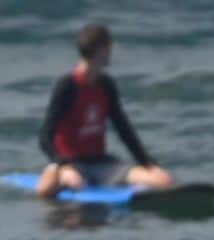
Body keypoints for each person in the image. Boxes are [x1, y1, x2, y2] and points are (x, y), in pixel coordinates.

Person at [35, 22, 173, 199]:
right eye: (109, 46)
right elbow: (44, 137)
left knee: (163, 180)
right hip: (71, 164)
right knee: (55, 188)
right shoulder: (67, 86)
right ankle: (54, 174)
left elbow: (124, 129)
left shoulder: (106, 85)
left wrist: (147, 162)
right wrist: (62, 164)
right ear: (101, 50)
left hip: (101, 163)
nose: (111, 52)